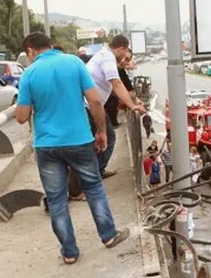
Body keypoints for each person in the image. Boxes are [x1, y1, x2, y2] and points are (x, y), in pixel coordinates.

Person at [15, 32, 129, 264]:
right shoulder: (75, 62)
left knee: (57, 199)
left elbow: (21, 116)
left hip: (46, 145)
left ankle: (69, 253)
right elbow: (95, 101)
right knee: (94, 187)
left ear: (30, 51)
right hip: (78, 139)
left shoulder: (29, 74)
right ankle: (108, 236)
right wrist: (102, 131)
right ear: (49, 45)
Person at [85, 35, 146, 178]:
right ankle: (93, 174)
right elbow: (116, 83)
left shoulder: (103, 55)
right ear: (121, 48)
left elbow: (111, 88)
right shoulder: (108, 57)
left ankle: (96, 171)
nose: (125, 58)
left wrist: (130, 101)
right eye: (126, 53)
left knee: (103, 138)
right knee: (102, 139)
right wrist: (132, 106)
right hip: (89, 106)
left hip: (93, 106)